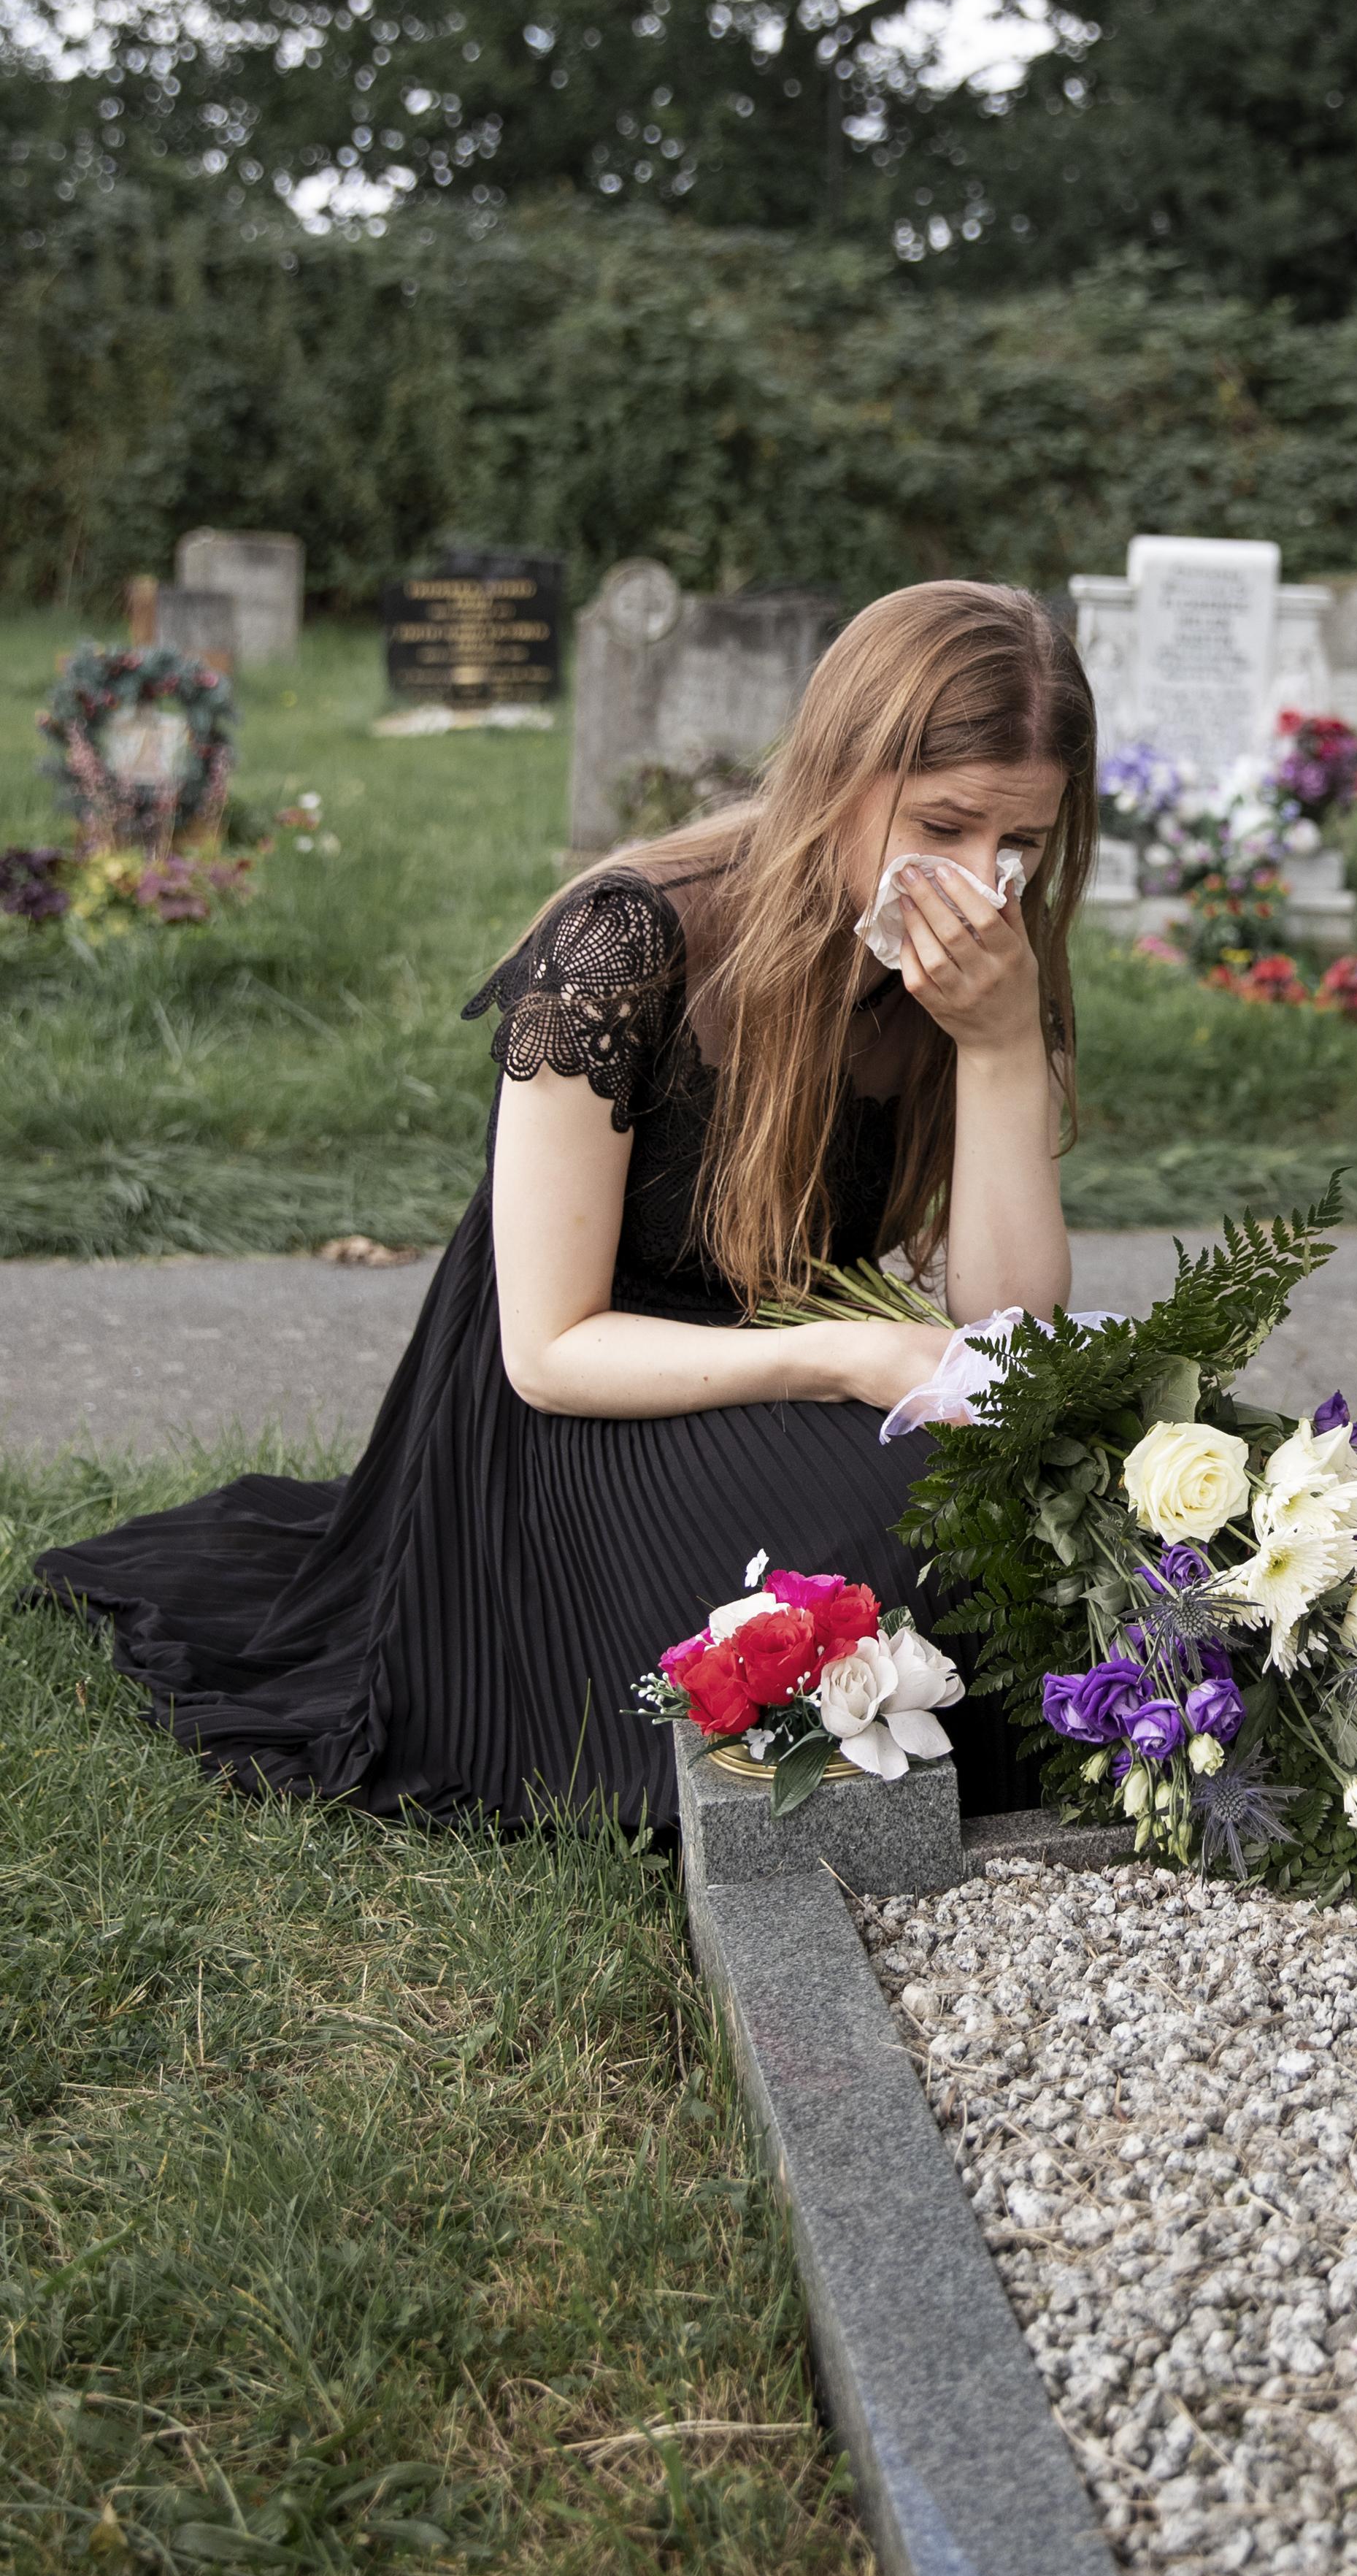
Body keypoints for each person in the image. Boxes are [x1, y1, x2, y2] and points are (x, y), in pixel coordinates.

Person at [34, 580, 1093, 1831]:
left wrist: (1000, 1047)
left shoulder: (986, 965)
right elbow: (545, 1350)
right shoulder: (622, 944)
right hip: (578, 1406)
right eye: (947, 826)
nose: (983, 881)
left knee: (1051, 1511)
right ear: (840, 773)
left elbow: (1004, 1320)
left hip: (782, 1370)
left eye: (1017, 844)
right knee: (899, 1556)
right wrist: (857, 1357)